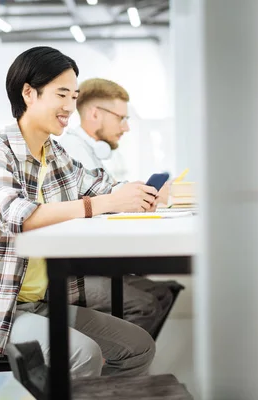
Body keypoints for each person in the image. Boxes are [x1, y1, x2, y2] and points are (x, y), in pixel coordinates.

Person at [0, 46, 161, 378]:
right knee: (85, 355)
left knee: (137, 346)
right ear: (29, 93)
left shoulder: (54, 154)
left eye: (75, 95)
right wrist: (104, 203)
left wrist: (137, 192)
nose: (71, 106)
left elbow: (100, 185)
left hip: (43, 302)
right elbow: (17, 216)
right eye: (62, 94)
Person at [57, 78, 177, 338]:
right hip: (75, 269)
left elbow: (109, 191)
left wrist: (140, 195)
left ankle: (129, 362)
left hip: (91, 260)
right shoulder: (70, 152)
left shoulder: (97, 154)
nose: (126, 127)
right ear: (94, 114)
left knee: (165, 291)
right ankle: (113, 366)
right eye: (121, 118)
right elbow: (98, 202)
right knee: (146, 304)